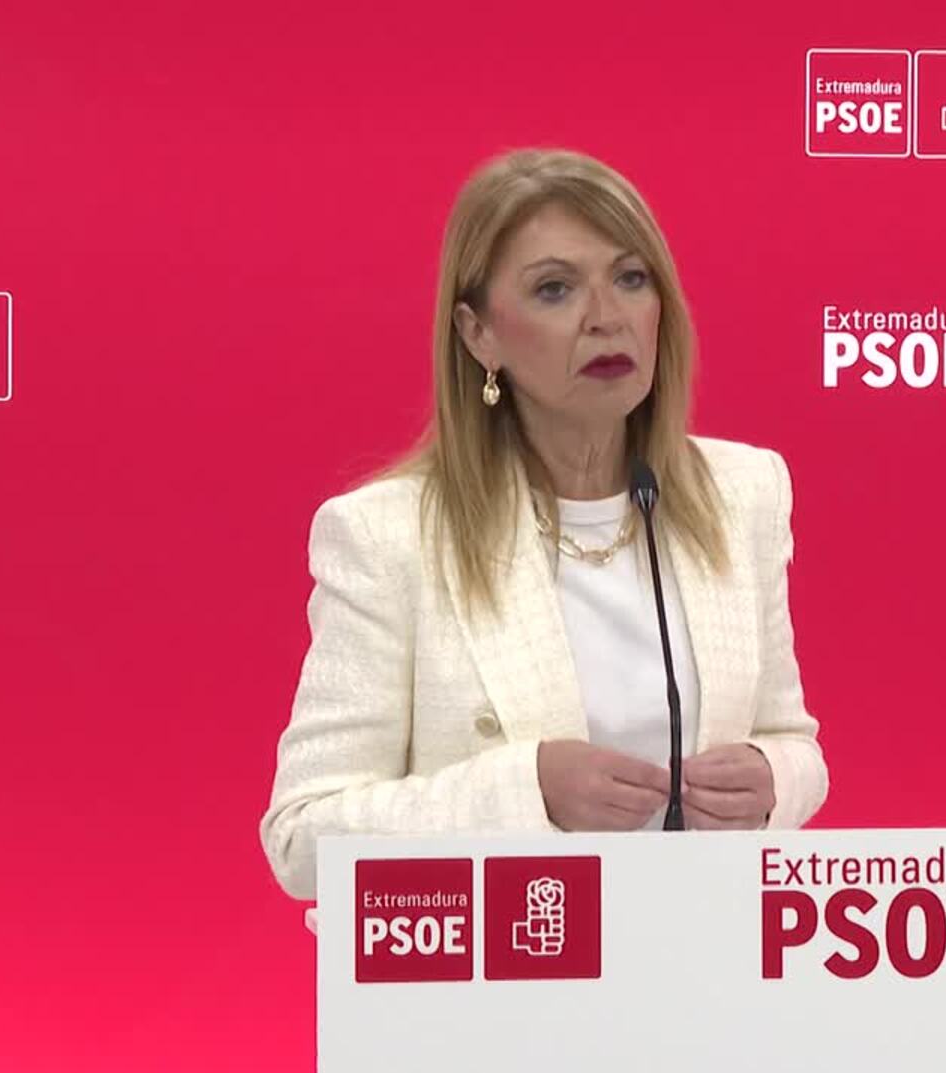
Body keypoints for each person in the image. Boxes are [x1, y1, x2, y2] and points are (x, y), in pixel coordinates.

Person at [258, 148, 829, 925]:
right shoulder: (387, 537)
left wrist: (773, 780)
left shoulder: (743, 494)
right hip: (503, 971)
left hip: (701, 957)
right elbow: (302, 839)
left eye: (631, 278)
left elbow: (792, 741)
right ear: (479, 335)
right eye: (555, 289)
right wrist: (527, 793)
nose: (607, 316)